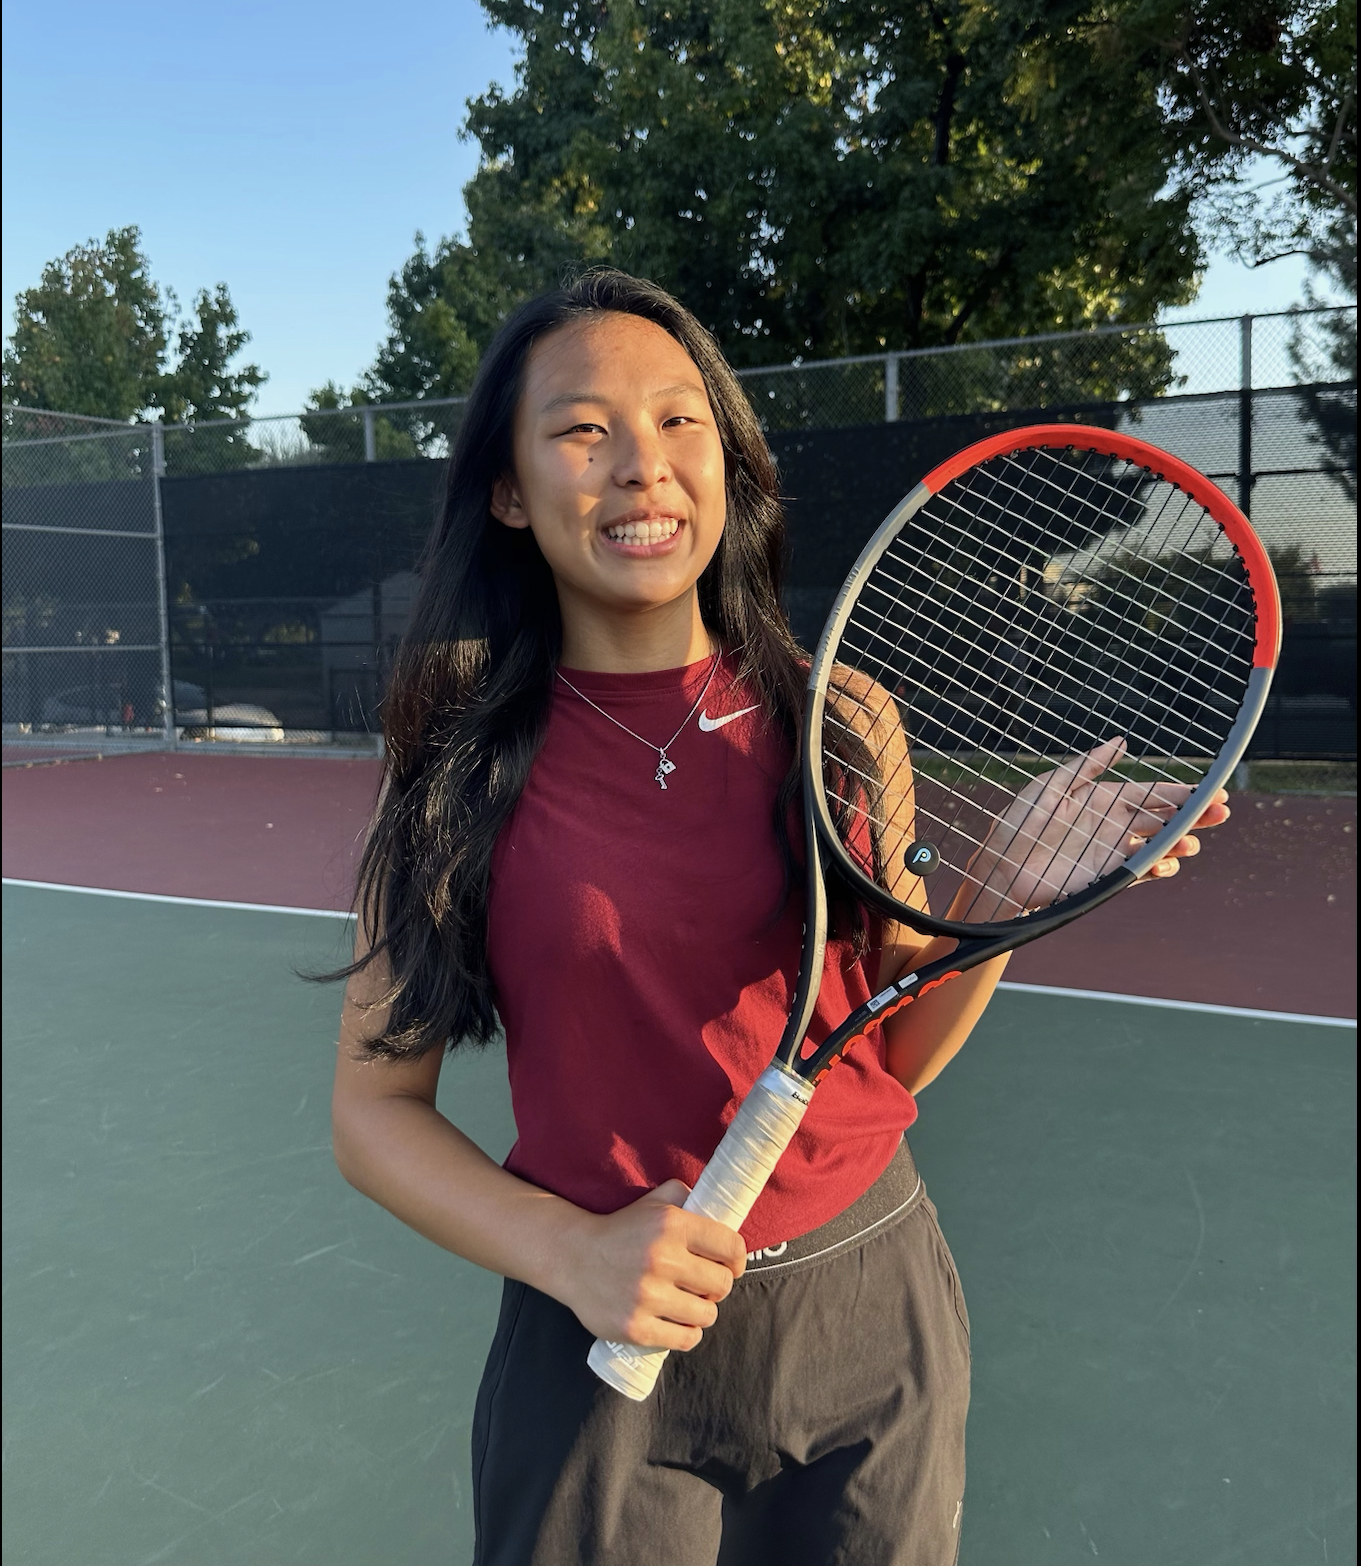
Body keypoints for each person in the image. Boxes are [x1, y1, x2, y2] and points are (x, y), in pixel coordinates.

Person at [329, 270, 1228, 1565]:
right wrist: (575, 1256)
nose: (642, 464)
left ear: (727, 458)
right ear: (511, 492)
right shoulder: (453, 760)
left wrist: (996, 909)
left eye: (679, 420)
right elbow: (374, 1112)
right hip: (595, 1346)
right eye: (585, 431)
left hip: (869, 1320)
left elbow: (891, 1044)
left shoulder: (842, 721)